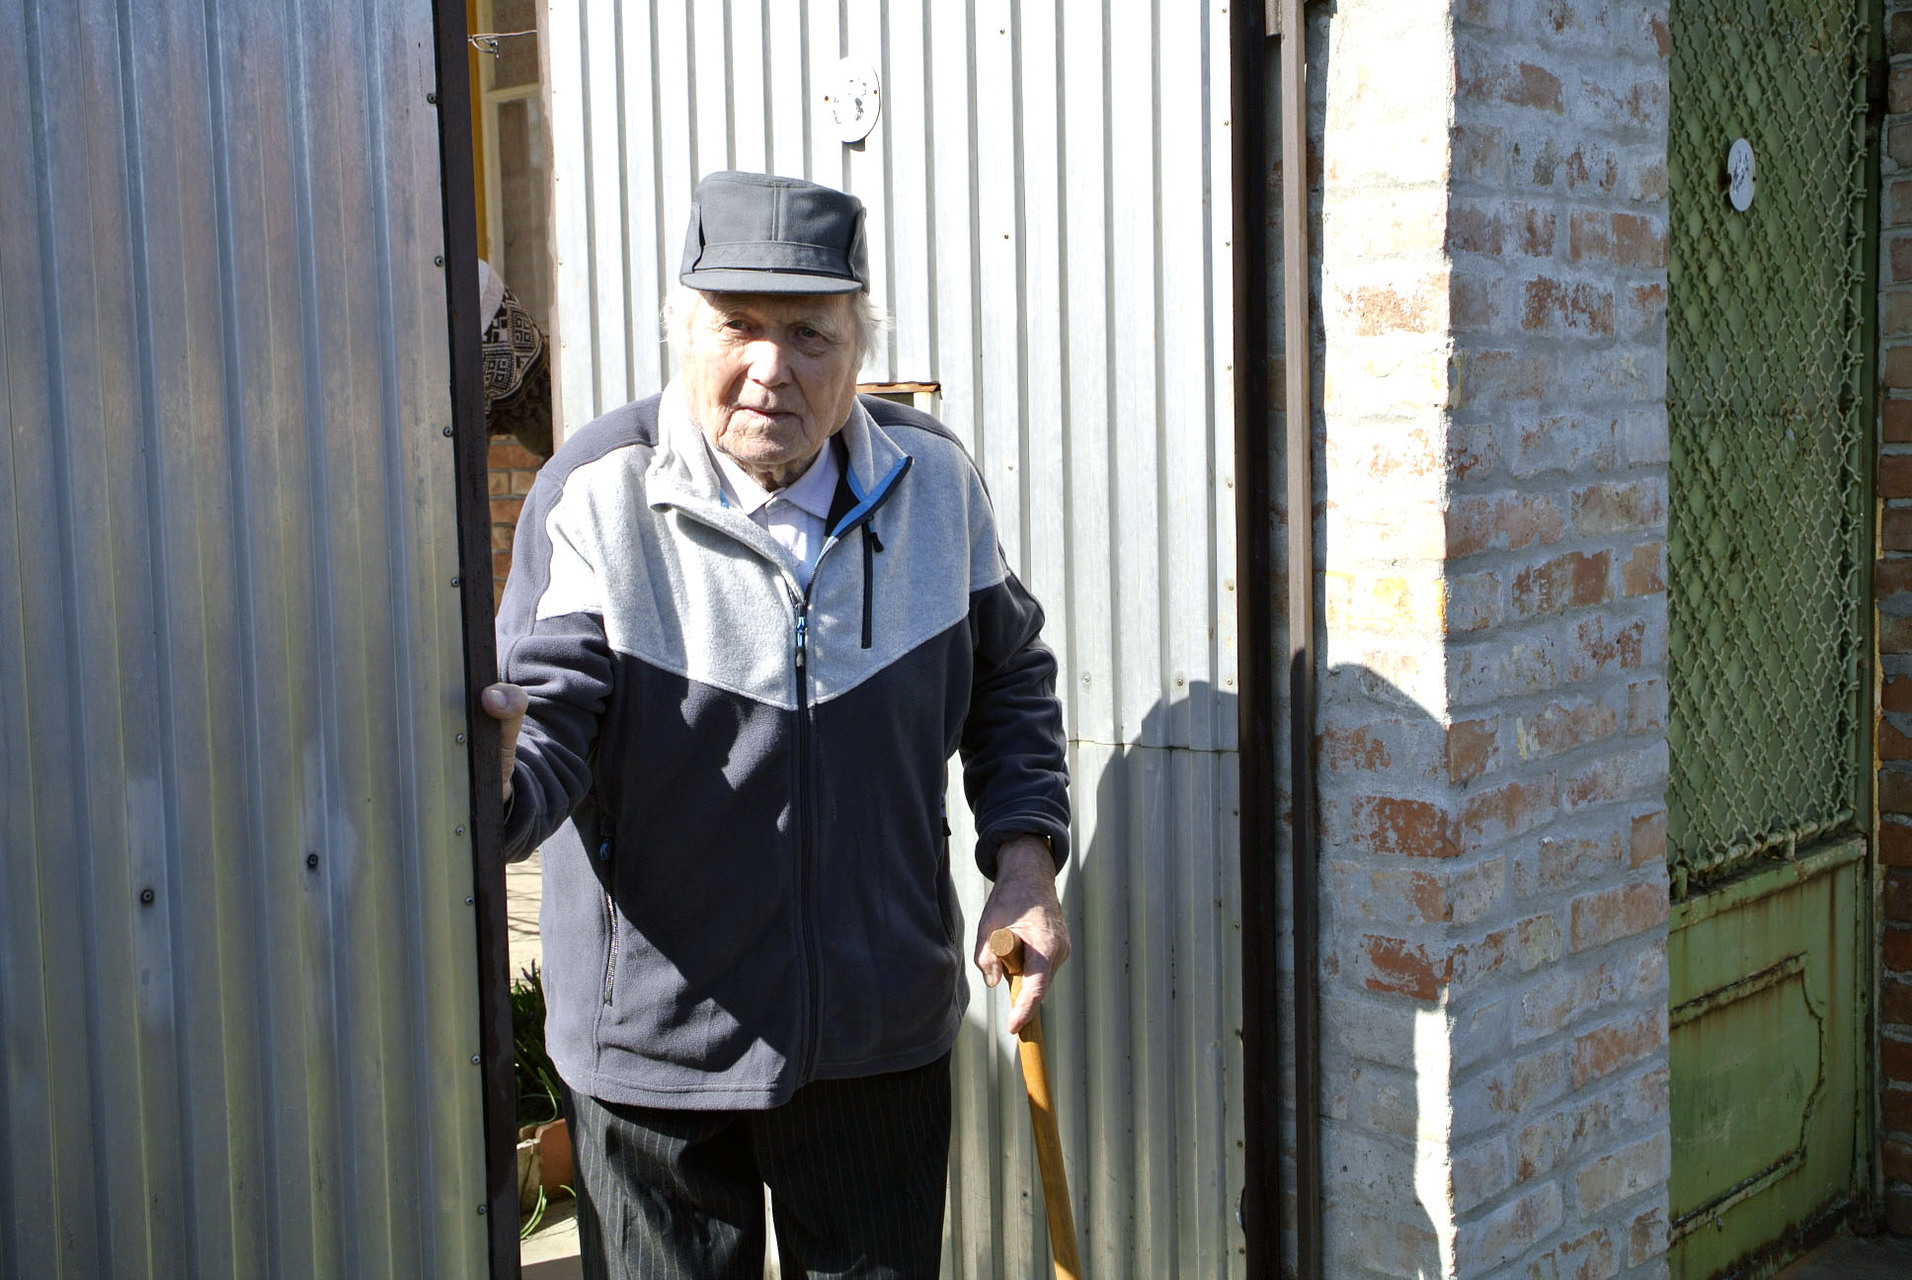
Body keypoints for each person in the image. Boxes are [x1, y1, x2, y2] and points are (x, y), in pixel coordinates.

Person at [481, 170, 1072, 1279]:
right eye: (738, 324)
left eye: (809, 333)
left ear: (858, 346)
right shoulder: (597, 490)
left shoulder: (934, 485)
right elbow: (547, 723)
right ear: (683, 332)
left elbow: (1008, 682)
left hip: (875, 1034)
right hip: (657, 1047)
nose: (771, 365)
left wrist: (1026, 858)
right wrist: (498, 782)